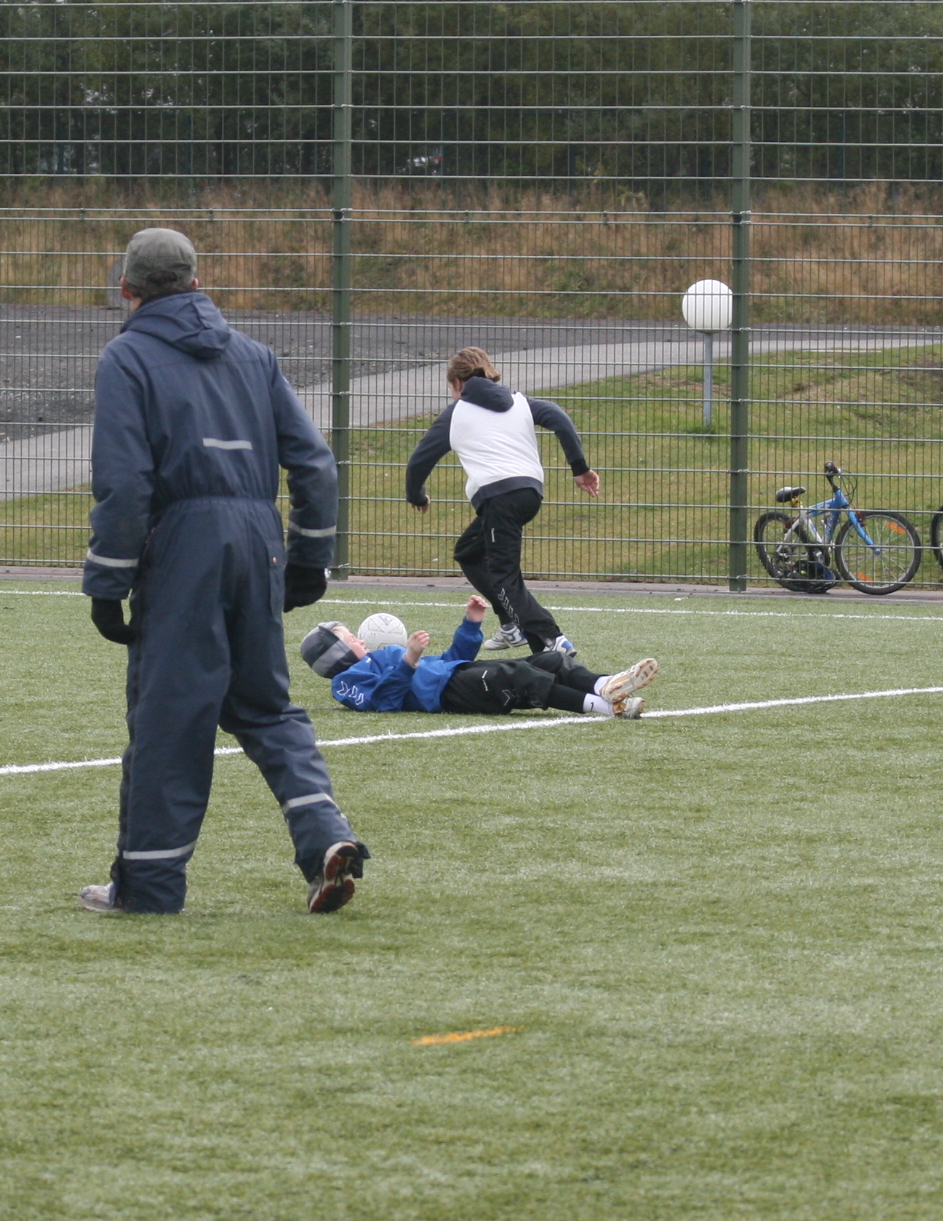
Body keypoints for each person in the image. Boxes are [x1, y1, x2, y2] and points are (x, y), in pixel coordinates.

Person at [81, 228, 370, 914]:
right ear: (197, 282)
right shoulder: (254, 357)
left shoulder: (127, 358)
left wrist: (107, 582)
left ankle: (148, 887)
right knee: (266, 707)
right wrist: (308, 560)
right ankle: (325, 835)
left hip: (184, 549)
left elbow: (125, 483)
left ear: (126, 290)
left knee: (170, 718)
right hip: (257, 542)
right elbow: (316, 466)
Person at [403, 347, 601, 654]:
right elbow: (559, 418)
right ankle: (510, 625)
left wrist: (417, 496)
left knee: (504, 578)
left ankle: (552, 639)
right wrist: (580, 469)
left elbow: (419, 461)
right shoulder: (520, 402)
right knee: (469, 552)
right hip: (529, 493)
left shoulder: (456, 414)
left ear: (457, 383)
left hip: (499, 499)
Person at [301, 595, 660, 718]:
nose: (359, 639)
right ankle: (605, 706)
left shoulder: (382, 657)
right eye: (350, 638)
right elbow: (384, 702)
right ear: (339, 654)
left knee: (549, 659)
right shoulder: (345, 682)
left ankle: (604, 685)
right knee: (520, 677)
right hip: (449, 694)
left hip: (458, 673)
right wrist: (408, 660)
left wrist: (470, 624)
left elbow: (451, 658)